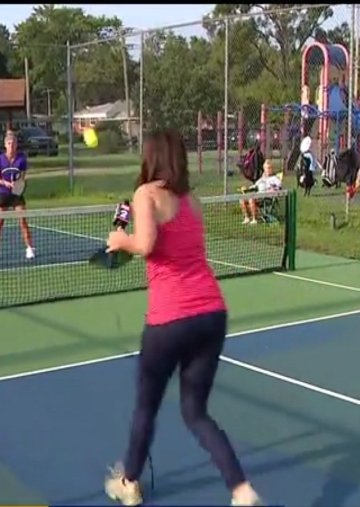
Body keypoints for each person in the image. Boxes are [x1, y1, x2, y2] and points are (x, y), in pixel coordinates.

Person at [103, 129, 263, 506]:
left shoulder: (145, 195)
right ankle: (241, 489)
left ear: (152, 157)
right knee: (196, 413)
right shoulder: (193, 201)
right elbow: (173, 247)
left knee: (146, 407)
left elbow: (145, 245)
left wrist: (118, 241)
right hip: (211, 314)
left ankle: (129, 483)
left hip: (170, 319)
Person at [0, 130, 35, 261]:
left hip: (16, 194)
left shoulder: (21, 159)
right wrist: (5, 182)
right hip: (3, 194)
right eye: (9, 143)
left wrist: (18, 183)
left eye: (13, 143)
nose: (11, 145)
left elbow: (23, 177)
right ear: (5, 145)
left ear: (16, 145)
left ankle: (29, 249)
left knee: (23, 221)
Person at [239, 159, 283, 224]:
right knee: (242, 199)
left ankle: (254, 219)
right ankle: (247, 218)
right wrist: (246, 189)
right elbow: (254, 186)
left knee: (251, 199)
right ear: (264, 169)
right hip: (259, 196)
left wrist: (273, 190)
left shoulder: (275, 178)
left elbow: (279, 187)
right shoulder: (261, 179)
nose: (268, 170)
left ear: (272, 169)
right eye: (266, 168)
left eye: (269, 168)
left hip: (267, 198)